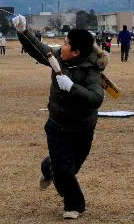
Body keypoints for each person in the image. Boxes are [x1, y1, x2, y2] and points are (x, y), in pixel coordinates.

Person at [12, 15, 108, 220]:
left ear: (75, 52)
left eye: (65, 44)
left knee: (67, 168)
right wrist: (23, 31)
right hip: (57, 125)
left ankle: (48, 168)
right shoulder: (58, 57)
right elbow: (38, 49)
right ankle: (75, 205)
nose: (61, 46)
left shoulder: (91, 71)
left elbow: (95, 99)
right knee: (64, 171)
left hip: (82, 129)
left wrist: (72, 87)